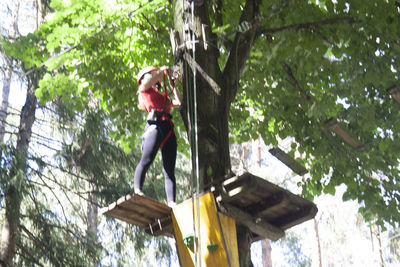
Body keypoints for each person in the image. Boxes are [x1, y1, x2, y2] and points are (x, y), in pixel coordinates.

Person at [133, 66, 182, 207]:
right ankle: (138, 190)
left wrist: (174, 86)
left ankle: (171, 202)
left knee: (169, 169)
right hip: (155, 126)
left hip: (168, 129)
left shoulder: (163, 96)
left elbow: (179, 102)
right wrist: (161, 70)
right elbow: (150, 81)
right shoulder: (145, 89)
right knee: (146, 160)